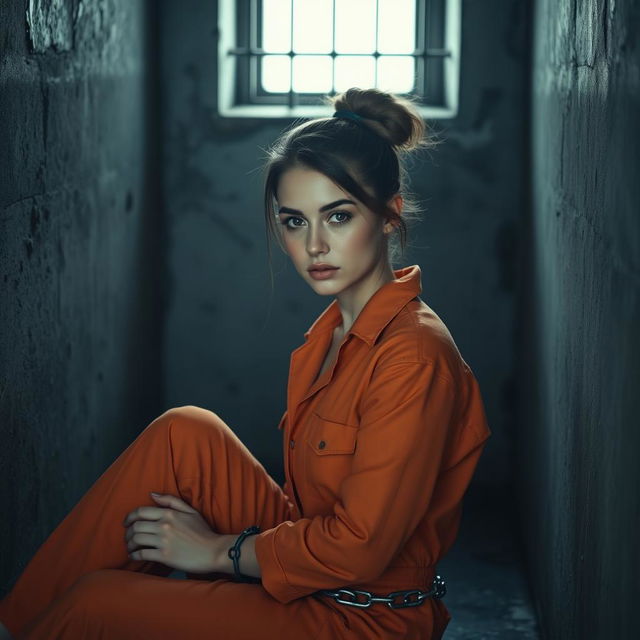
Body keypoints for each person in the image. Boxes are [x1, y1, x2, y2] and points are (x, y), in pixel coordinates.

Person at [0, 87, 491, 639]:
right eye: (294, 221)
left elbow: (359, 547)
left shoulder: (414, 358)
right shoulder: (331, 334)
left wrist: (217, 552)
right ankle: (19, 624)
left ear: (388, 216)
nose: (316, 246)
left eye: (339, 215)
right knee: (184, 431)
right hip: (315, 569)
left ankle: (58, 622)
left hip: (363, 618)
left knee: (95, 605)